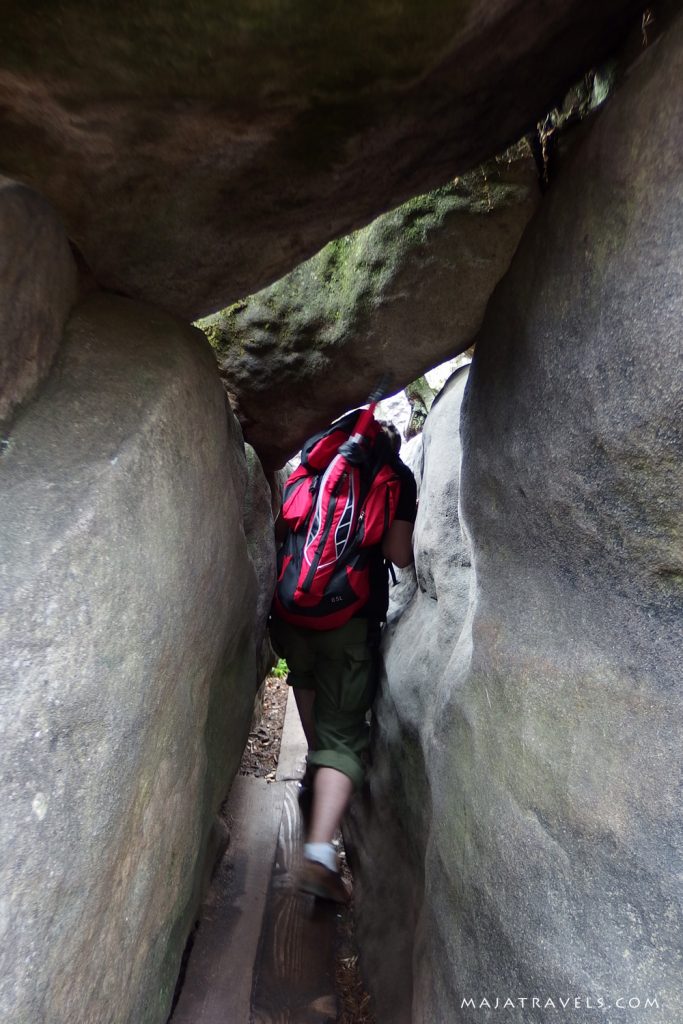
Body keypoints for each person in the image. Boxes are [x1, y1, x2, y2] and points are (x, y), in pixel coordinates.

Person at [270, 419, 417, 902]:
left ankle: (317, 772)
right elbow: (398, 556)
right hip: (346, 621)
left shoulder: (318, 451)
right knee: (345, 737)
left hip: (292, 610)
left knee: (307, 681)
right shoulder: (394, 474)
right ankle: (318, 855)